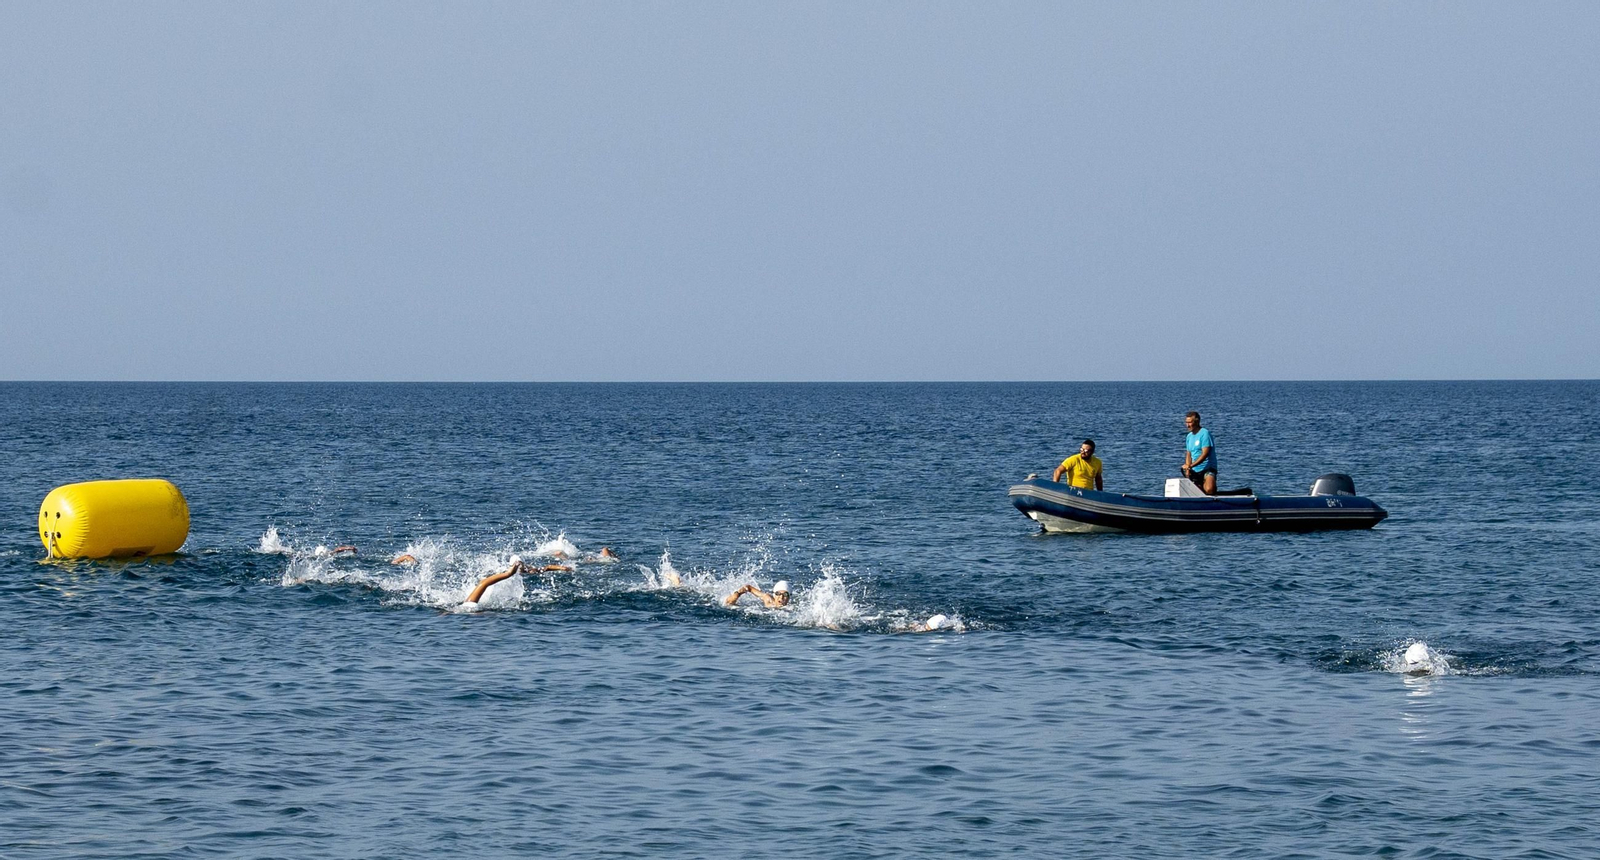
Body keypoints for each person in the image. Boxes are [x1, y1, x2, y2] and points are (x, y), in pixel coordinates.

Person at [465, 556, 575, 604]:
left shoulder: (528, 570)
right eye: (517, 565)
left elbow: (546, 568)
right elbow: (485, 582)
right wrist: (509, 574)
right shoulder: (501, 571)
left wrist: (562, 568)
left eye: (521, 565)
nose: (520, 567)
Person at [1182, 411, 1217, 495]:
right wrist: (1188, 469)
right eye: (1186, 422)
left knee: (1209, 489)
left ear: (1197, 422)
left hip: (1207, 469)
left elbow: (1205, 454)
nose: (1187, 425)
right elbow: (1189, 454)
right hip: (1194, 471)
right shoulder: (1189, 436)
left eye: (1190, 422)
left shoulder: (1205, 433)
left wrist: (1191, 465)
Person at [723, 580, 791, 609]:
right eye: (778, 593)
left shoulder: (790, 609)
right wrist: (738, 594)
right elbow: (749, 588)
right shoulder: (768, 599)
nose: (781, 597)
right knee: (729, 603)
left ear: (789, 597)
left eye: (785, 594)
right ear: (774, 594)